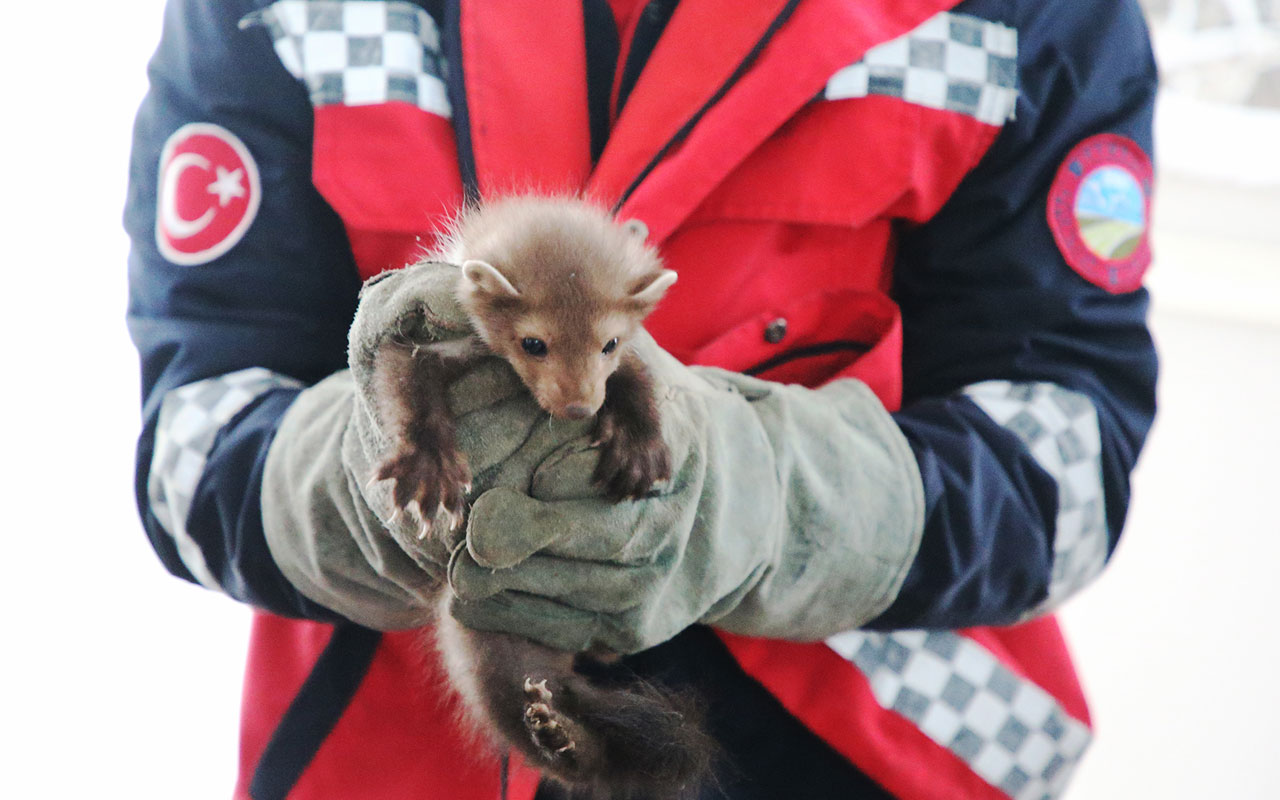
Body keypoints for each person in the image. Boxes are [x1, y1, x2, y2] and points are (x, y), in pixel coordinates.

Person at [125, 0, 1159, 798]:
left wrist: (764, 503)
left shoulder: (1024, 17)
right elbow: (192, 435)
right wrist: (369, 484)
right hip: (396, 753)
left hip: (861, 748)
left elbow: (1065, 467)